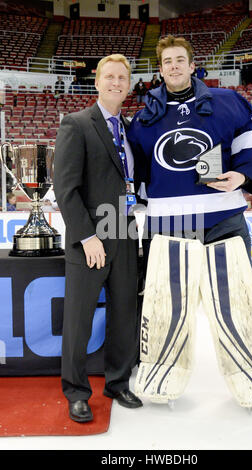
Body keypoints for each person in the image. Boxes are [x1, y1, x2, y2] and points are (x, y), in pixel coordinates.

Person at [128, 35, 252, 272]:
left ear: (192, 66)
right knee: (170, 307)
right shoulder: (143, 120)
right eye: (168, 61)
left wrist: (243, 176)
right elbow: (135, 169)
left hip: (223, 221)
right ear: (160, 70)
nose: (175, 66)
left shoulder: (229, 101)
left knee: (231, 306)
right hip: (166, 226)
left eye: (180, 60)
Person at [53, 54, 142, 424]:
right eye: (109, 76)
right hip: (92, 236)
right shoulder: (77, 124)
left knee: (124, 314)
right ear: (97, 82)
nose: (116, 82)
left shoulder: (128, 129)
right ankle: (76, 391)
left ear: (129, 84)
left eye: (122, 77)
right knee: (79, 319)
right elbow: (65, 188)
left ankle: (118, 382)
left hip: (124, 230)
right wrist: (87, 236)